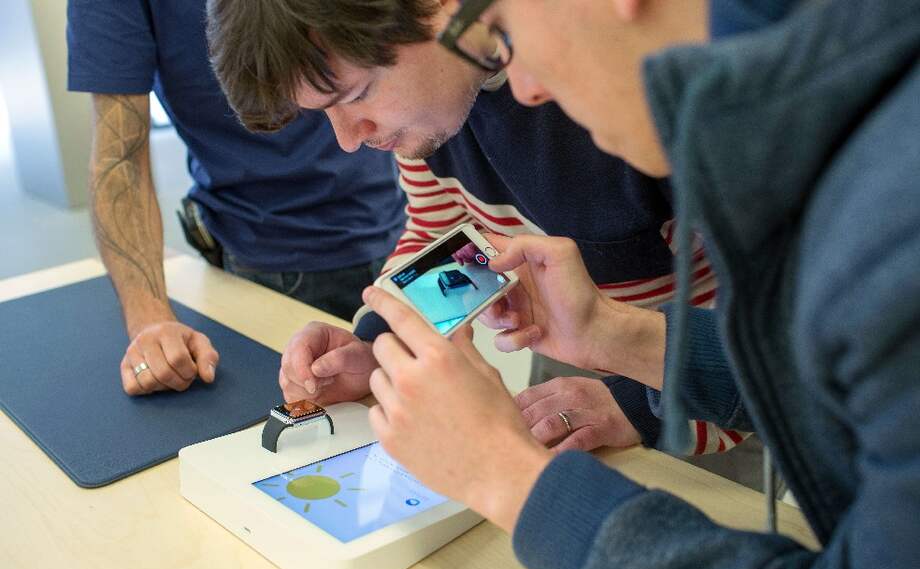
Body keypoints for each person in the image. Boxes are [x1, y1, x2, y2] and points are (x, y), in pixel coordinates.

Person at [356, 0, 920, 569]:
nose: (525, 88)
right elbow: (825, 374)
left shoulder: (891, 224)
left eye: (507, 31)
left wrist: (507, 478)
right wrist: (616, 334)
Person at [206, 0, 748, 459]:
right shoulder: (432, 114)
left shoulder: (627, 85)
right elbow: (447, 237)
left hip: (724, 412)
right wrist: (378, 341)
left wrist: (638, 403)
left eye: (354, 95)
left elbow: (784, 334)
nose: (348, 139)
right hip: (576, 389)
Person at [67, 0, 406, 396]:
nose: (348, 137)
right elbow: (119, 157)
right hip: (262, 251)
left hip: (400, 227)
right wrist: (149, 318)